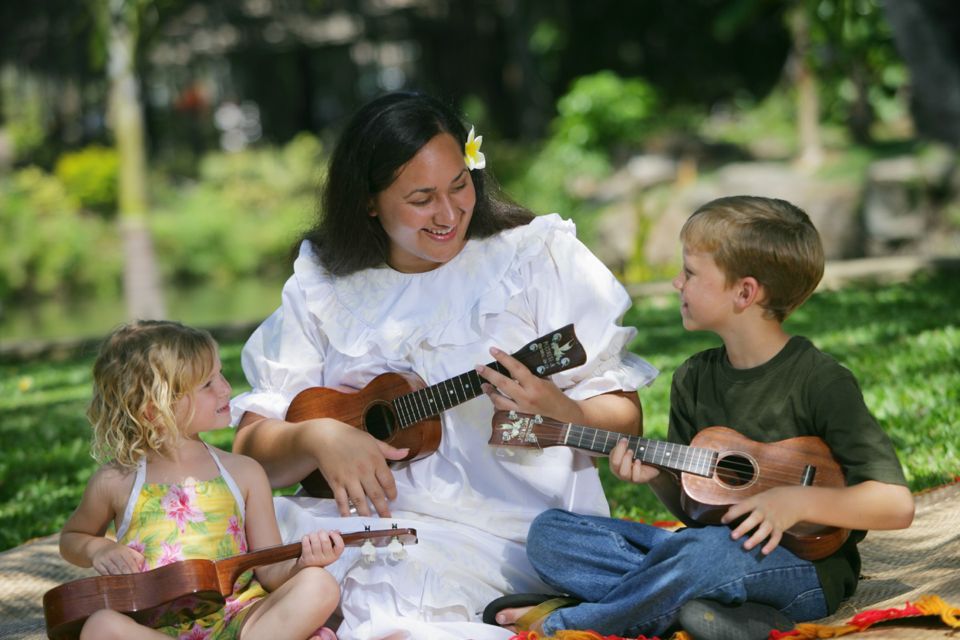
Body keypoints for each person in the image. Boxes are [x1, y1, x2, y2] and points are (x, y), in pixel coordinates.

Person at [229, 91, 659, 639]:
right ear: (368, 202)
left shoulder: (535, 257)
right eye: (421, 197)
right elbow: (249, 456)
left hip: (502, 531)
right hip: (354, 523)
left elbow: (628, 421)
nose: (450, 212)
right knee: (263, 547)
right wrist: (316, 439)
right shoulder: (323, 286)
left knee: (390, 595)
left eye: (460, 185)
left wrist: (560, 411)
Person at [486, 196, 916, 640]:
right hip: (706, 552)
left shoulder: (821, 381)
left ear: (745, 292)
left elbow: (895, 504)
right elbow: (695, 512)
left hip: (804, 570)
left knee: (704, 555)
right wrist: (657, 476)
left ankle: (566, 624)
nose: (676, 283)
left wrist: (796, 503)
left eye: (690, 273)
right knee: (551, 536)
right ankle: (715, 615)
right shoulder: (694, 377)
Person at [60, 320, 345, 640]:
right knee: (101, 627)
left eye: (220, 374)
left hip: (243, 622)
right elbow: (73, 537)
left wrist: (302, 564)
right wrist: (97, 549)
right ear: (154, 408)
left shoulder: (244, 472)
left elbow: (269, 570)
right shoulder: (116, 480)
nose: (225, 388)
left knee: (319, 585)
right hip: (155, 629)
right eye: (208, 384)